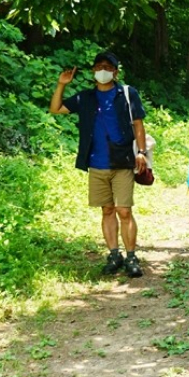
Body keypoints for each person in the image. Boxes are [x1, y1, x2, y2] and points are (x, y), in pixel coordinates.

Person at [50, 51, 149, 278]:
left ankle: (131, 257)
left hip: (123, 160)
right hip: (96, 163)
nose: (102, 70)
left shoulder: (126, 94)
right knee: (107, 210)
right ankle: (114, 255)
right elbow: (55, 109)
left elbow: (138, 124)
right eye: (98, 66)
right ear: (93, 71)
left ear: (115, 72)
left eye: (107, 66)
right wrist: (61, 84)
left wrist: (141, 152)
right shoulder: (85, 98)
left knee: (124, 210)